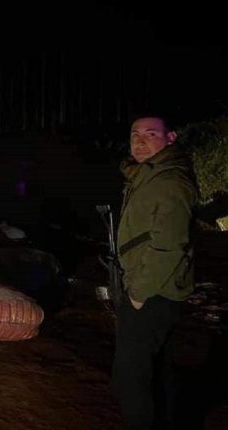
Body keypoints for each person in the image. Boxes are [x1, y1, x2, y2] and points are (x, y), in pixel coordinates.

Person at [113, 114, 198, 429]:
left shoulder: (170, 180)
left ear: (171, 138)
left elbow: (170, 246)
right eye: (135, 134)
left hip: (153, 292)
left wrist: (137, 293)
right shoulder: (149, 174)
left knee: (130, 376)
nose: (140, 141)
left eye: (150, 134)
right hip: (154, 288)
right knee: (158, 369)